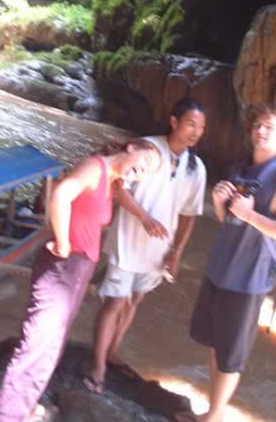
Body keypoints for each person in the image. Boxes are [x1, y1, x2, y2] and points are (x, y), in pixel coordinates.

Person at [0, 138, 162, 422]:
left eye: (148, 172)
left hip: (79, 267)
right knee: (37, 344)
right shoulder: (95, 167)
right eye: (145, 162)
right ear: (131, 148)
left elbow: (107, 202)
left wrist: (144, 217)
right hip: (63, 265)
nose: (142, 171)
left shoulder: (112, 179)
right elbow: (61, 194)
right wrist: (62, 243)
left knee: (52, 343)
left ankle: (24, 407)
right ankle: (6, 416)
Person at [188, 102, 276, 422]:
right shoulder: (241, 167)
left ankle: (214, 416)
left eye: (270, 127)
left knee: (231, 354)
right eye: (258, 125)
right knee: (217, 343)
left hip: (249, 278)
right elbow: (231, 221)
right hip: (220, 268)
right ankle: (212, 412)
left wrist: (251, 215)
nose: (261, 130)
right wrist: (218, 202)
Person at [83, 97, 207, 394]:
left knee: (135, 300)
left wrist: (176, 253)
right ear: (174, 122)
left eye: (201, 127)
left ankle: (113, 351)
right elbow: (118, 187)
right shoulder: (146, 148)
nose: (196, 132)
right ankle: (98, 367)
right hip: (127, 242)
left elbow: (188, 215)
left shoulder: (196, 169)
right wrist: (144, 217)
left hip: (158, 251)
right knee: (115, 302)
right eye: (191, 123)